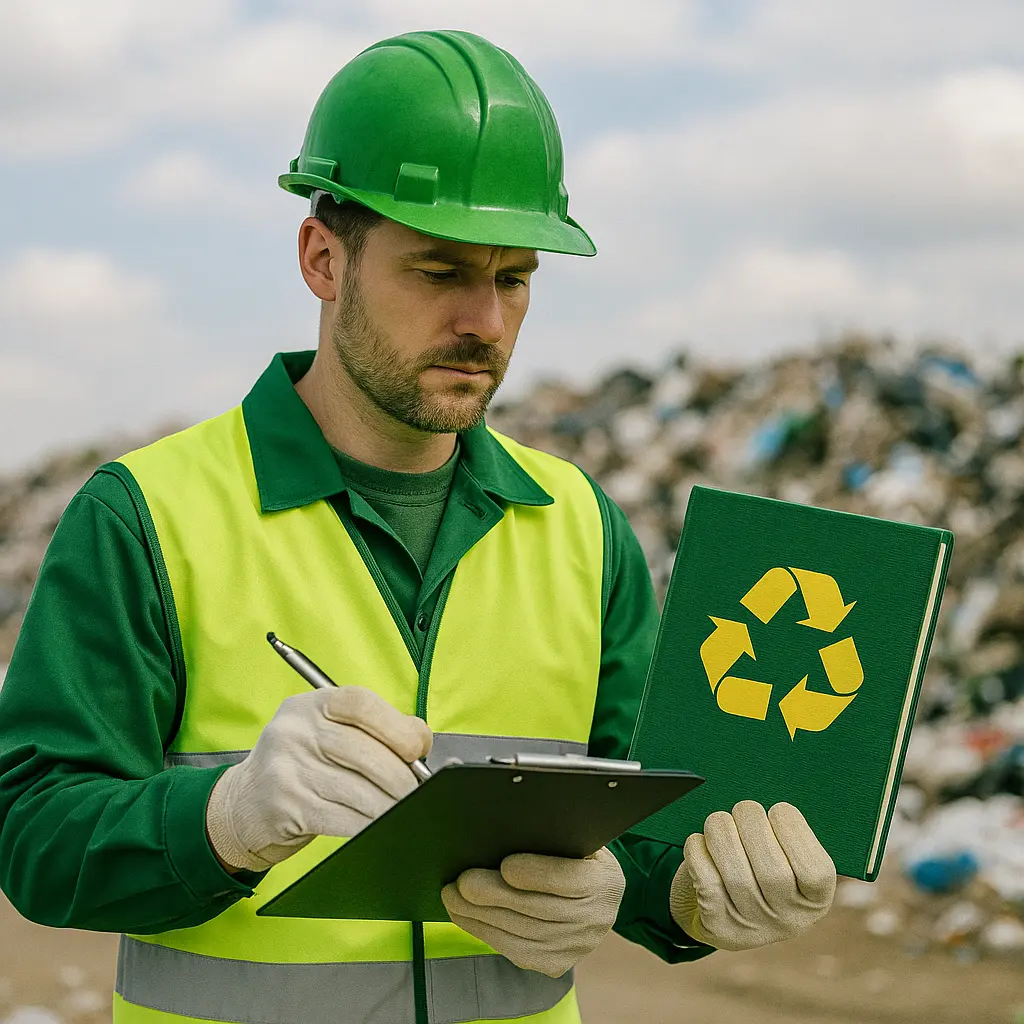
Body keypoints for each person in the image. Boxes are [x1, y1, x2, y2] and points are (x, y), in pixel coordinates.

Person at [0, 29, 836, 1024]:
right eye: (439, 272)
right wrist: (226, 817)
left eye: (514, 277)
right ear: (323, 258)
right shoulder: (149, 514)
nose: (483, 318)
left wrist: (695, 896)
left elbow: (642, 835)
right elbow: (35, 835)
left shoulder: (579, 526)